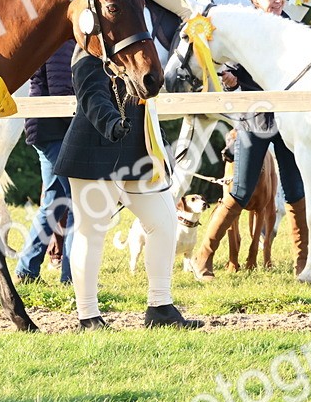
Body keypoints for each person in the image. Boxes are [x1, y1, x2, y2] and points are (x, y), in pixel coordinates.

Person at [54, 43, 201, 330]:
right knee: (91, 231)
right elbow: (92, 96)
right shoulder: (88, 53)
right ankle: (88, 316)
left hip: (138, 153)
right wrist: (111, 123)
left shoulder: (141, 49)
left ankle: (160, 308)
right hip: (93, 152)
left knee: (165, 222)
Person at [192, 0, 310, 279]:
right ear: (254, 1)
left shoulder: (296, 30)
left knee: (296, 189)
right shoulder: (241, 34)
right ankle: (203, 256)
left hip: (288, 119)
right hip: (253, 119)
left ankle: (304, 262)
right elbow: (229, 77)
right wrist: (231, 82)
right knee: (240, 190)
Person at [14, 37, 76, 285]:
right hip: (55, 129)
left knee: (54, 201)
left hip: (46, 128)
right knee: (77, 201)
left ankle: (26, 271)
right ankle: (73, 276)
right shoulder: (60, 42)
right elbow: (62, 90)